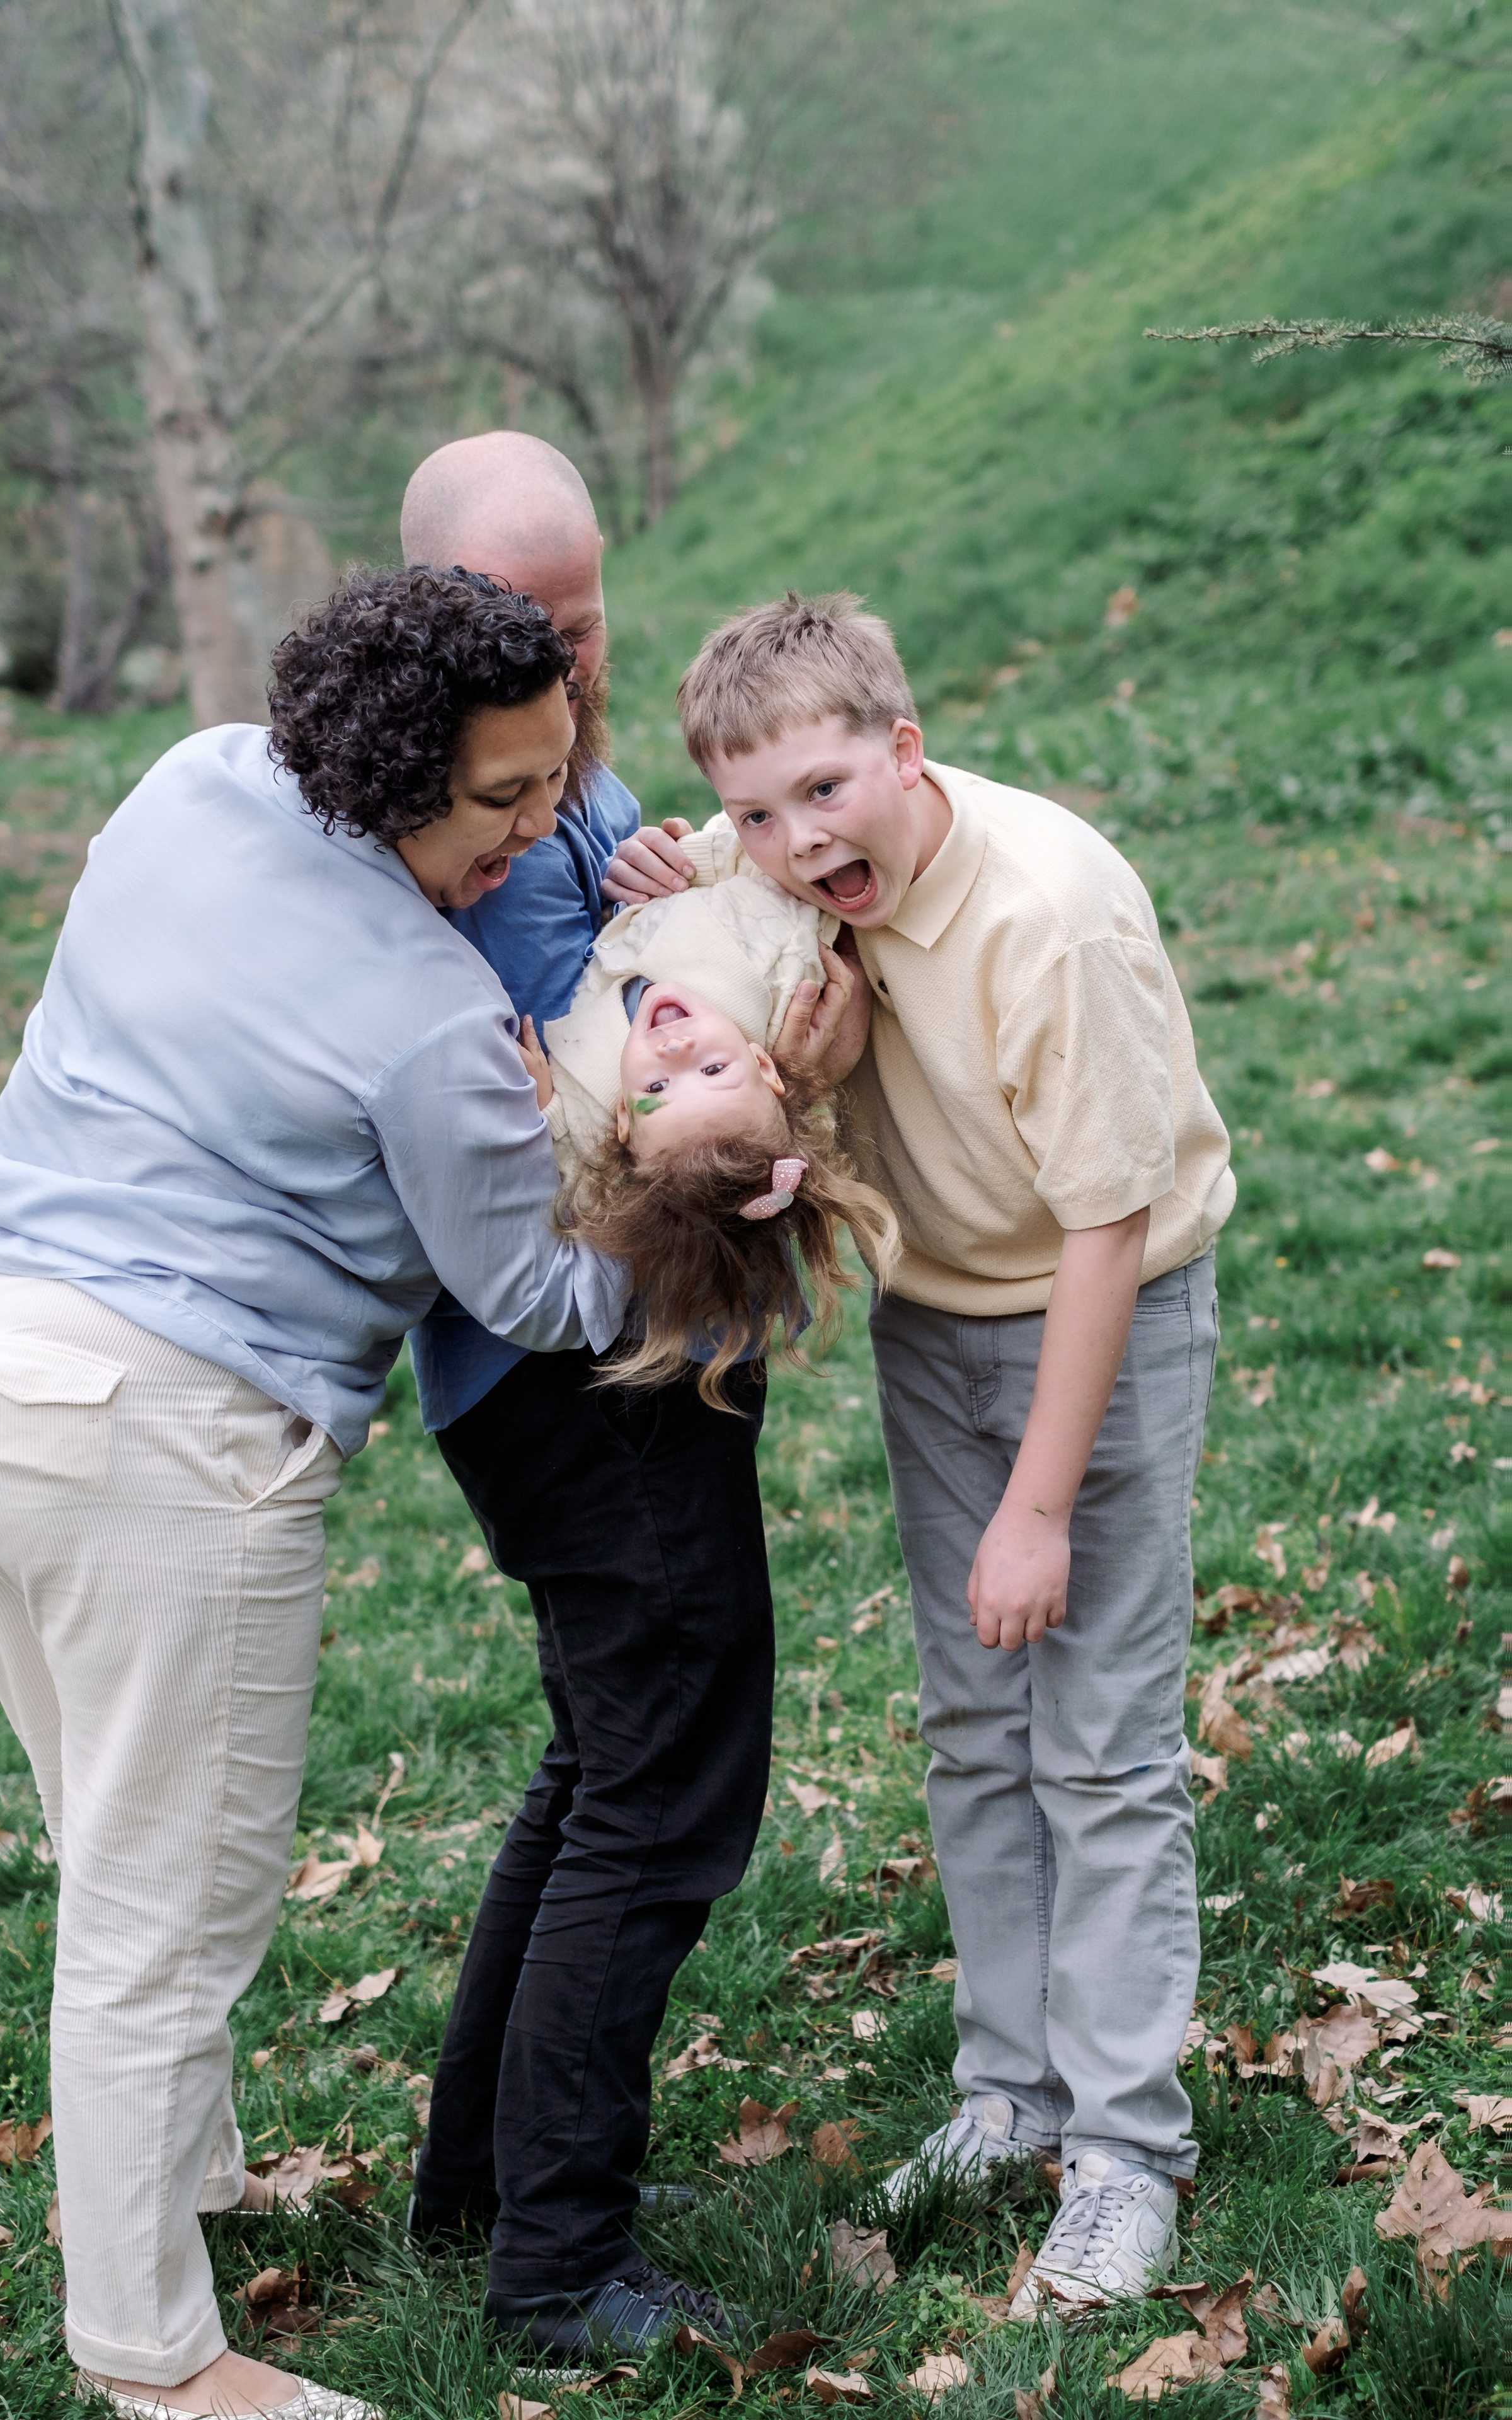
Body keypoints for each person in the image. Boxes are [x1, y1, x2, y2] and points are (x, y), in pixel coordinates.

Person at [0, 567, 622, 2420]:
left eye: (554, 779)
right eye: (500, 799)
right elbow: (538, 1292)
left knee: (114, 1840)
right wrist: (703, 1211)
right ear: (388, 772)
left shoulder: (195, 776)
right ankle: (158, 2359)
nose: (535, 828)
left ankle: (189, 2184)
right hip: (154, 1436)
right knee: (167, 1908)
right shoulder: (428, 1012)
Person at [607, 590, 1234, 2314]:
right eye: (753, 813)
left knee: (1097, 1746)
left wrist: (1039, 1509)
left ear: (903, 748)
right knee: (974, 1725)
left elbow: (1107, 1228)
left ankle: (1124, 2147)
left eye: (824, 792)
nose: (797, 844)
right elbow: (693, 935)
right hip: (934, 1318)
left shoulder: (1049, 915)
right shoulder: (783, 873)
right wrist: (664, 877)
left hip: (1100, 1316)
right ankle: (1008, 2093)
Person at [396, 441, 860, 2360]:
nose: (571, 668)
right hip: (579, 1368)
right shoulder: (444, 826)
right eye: (531, 629)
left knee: (602, 1761)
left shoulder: (571, 791)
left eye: (585, 623)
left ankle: (488, 2184)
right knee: (662, 1787)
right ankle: (560, 2267)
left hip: (626, 1353)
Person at [522, 821, 900, 1404]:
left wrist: (543, 1102)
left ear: (623, 1119)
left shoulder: (589, 1097)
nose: (676, 1050)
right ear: (765, 1065)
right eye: (715, 1071)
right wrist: (691, 859)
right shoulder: (775, 974)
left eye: (656, 1087)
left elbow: (573, 1169)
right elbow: (768, 868)